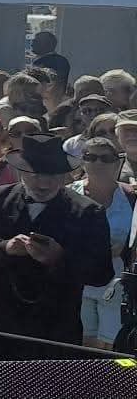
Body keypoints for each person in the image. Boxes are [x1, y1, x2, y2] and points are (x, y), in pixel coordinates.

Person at [0, 132, 114, 343]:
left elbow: (102, 274)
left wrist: (59, 258)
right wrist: (5, 247)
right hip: (1, 323)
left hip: (56, 328)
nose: (43, 184)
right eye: (35, 175)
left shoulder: (88, 212)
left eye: (52, 176)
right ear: (20, 171)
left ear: (63, 176)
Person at [68, 136, 135, 349]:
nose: (98, 163)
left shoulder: (132, 196)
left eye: (105, 158)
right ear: (82, 161)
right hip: (77, 283)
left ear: (117, 163)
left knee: (111, 347)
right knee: (81, 344)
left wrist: (124, 248)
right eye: (91, 157)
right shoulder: (68, 194)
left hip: (118, 286)